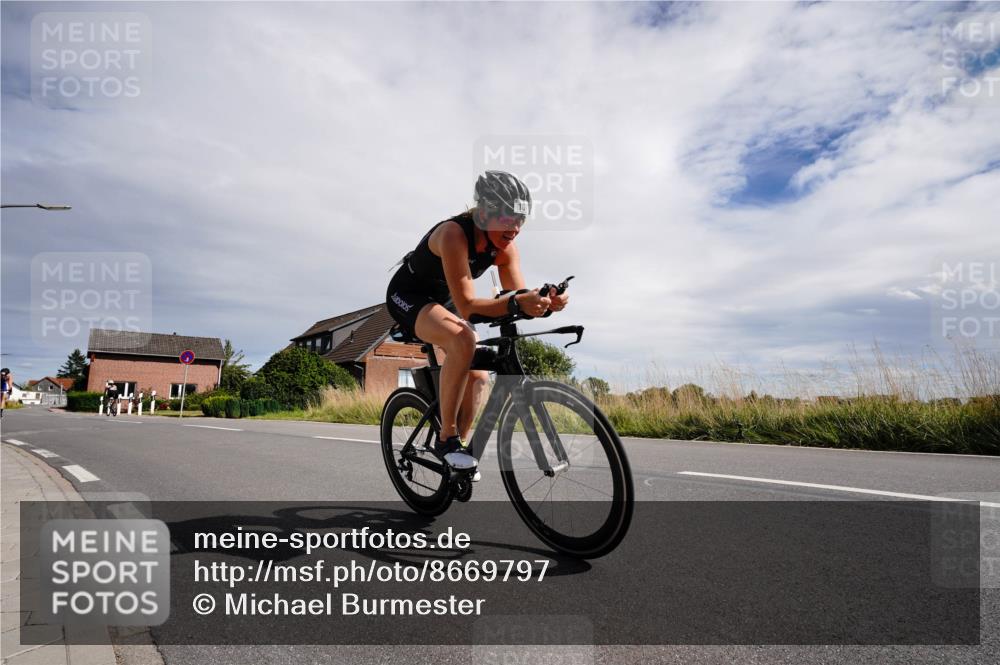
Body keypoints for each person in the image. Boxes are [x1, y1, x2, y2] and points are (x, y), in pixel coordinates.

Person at [385, 171, 569, 470]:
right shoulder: (453, 234)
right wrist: (517, 301)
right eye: (508, 219)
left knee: (480, 375)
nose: (515, 228)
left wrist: (545, 303)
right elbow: (470, 307)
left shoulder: (505, 248)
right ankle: (446, 438)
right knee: (463, 339)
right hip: (409, 295)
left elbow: (515, 296)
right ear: (484, 213)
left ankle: (458, 458)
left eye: (521, 220)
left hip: (447, 301)